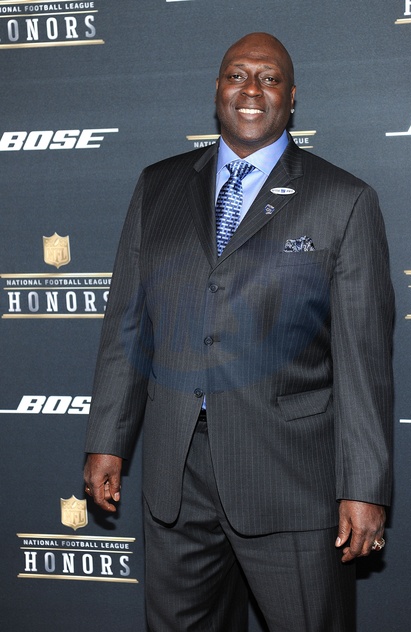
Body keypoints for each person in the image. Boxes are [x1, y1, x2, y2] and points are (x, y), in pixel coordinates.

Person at [84, 32, 394, 632]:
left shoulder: (344, 200)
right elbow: (128, 324)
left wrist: (364, 486)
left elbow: (364, 361)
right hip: (177, 478)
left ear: (292, 96)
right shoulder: (158, 186)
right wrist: (107, 438)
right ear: (217, 89)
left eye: (269, 78)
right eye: (237, 75)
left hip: (291, 482)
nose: (252, 89)